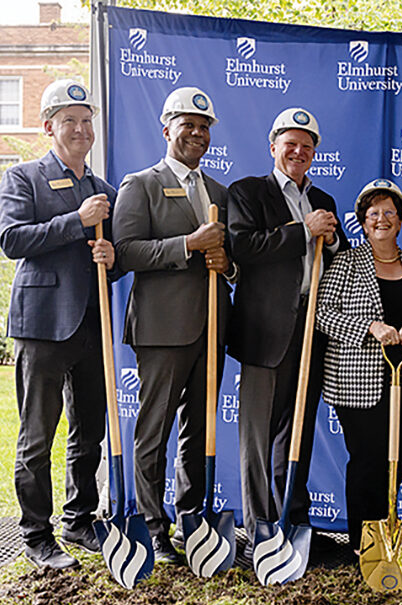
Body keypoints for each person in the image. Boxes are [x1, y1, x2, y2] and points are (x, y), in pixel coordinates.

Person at [113, 87, 236, 563]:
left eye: (204, 127)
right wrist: (188, 243)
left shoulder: (220, 192)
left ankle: (192, 519)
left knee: (199, 429)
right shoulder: (140, 184)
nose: (198, 134)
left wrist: (226, 264)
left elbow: (231, 261)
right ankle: (151, 526)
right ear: (167, 130)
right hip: (162, 330)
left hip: (211, 327)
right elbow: (125, 253)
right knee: (154, 429)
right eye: (188, 125)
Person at [0, 79, 118, 569]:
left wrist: (114, 257)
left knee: (88, 432)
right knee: (36, 436)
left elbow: (116, 255)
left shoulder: (105, 190)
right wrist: (77, 218)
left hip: (92, 326)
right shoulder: (22, 176)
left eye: (86, 121)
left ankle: (79, 519)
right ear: (49, 127)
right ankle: (35, 535)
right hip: (42, 326)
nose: (79, 128)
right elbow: (12, 240)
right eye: (69, 120)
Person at [227, 107, 348, 551]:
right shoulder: (248, 192)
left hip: (313, 328)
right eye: (290, 144)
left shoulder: (325, 202)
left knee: (297, 429)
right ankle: (260, 527)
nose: (298, 152)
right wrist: (303, 231)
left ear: (315, 152)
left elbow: (339, 258)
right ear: (273, 147)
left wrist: (331, 239)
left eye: (307, 145)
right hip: (265, 330)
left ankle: (294, 523)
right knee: (258, 436)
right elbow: (243, 246)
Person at [316, 179, 402, 553]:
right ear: (362, 220)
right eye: (373, 213)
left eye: (389, 212)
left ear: (401, 219)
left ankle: (388, 538)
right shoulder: (345, 262)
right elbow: (323, 315)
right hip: (357, 384)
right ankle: (363, 543)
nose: (381, 219)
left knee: (395, 461)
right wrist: (368, 327)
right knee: (368, 460)